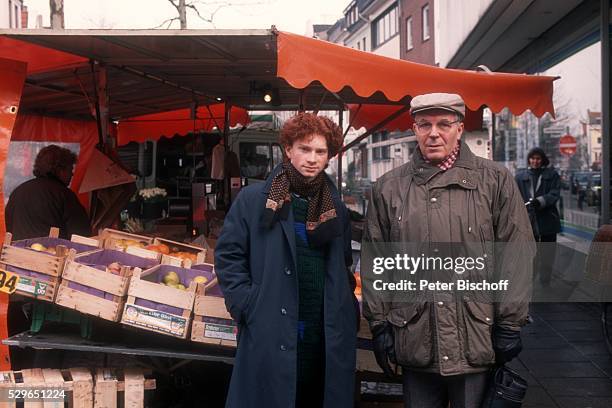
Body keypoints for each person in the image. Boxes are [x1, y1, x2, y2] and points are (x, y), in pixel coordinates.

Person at [362, 93, 535, 408]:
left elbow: (517, 254)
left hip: (475, 335)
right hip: (415, 336)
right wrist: (379, 324)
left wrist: (510, 322)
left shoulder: (495, 181)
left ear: (460, 128)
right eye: (424, 125)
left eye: (443, 124)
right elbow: (376, 261)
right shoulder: (388, 188)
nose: (433, 133)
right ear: (414, 130)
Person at [215, 113, 357, 408]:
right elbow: (229, 257)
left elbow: (343, 266)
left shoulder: (337, 209)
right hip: (271, 326)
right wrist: (247, 304)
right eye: (305, 149)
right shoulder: (254, 200)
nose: (312, 158)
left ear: (329, 157)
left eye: (320, 151)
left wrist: (346, 314)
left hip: (323, 334)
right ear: (288, 149)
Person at [5, 145, 91, 240]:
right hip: (51, 252)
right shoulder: (64, 195)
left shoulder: (19, 191)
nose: (72, 174)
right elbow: (81, 234)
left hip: (16, 252)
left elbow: (7, 226)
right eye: (70, 169)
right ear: (59, 170)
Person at [515, 147, 561, 286]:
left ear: (543, 160)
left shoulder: (552, 175)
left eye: (538, 159)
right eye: (533, 158)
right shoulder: (520, 177)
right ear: (529, 159)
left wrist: (540, 201)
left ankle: (545, 279)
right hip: (528, 220)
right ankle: (530, 279)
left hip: (548, 218)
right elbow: (514, 197)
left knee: (548, 251)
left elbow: (555, 194)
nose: (535, 161)